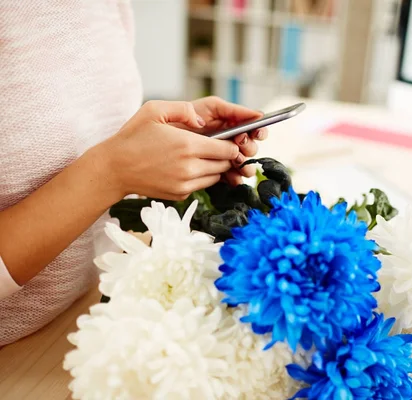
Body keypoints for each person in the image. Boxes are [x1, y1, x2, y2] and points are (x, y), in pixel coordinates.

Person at [0, 2, 267, 346]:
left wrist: (164, 149)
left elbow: (88, 134)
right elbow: (101, 168)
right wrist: (112, 171)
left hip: (96, 316)